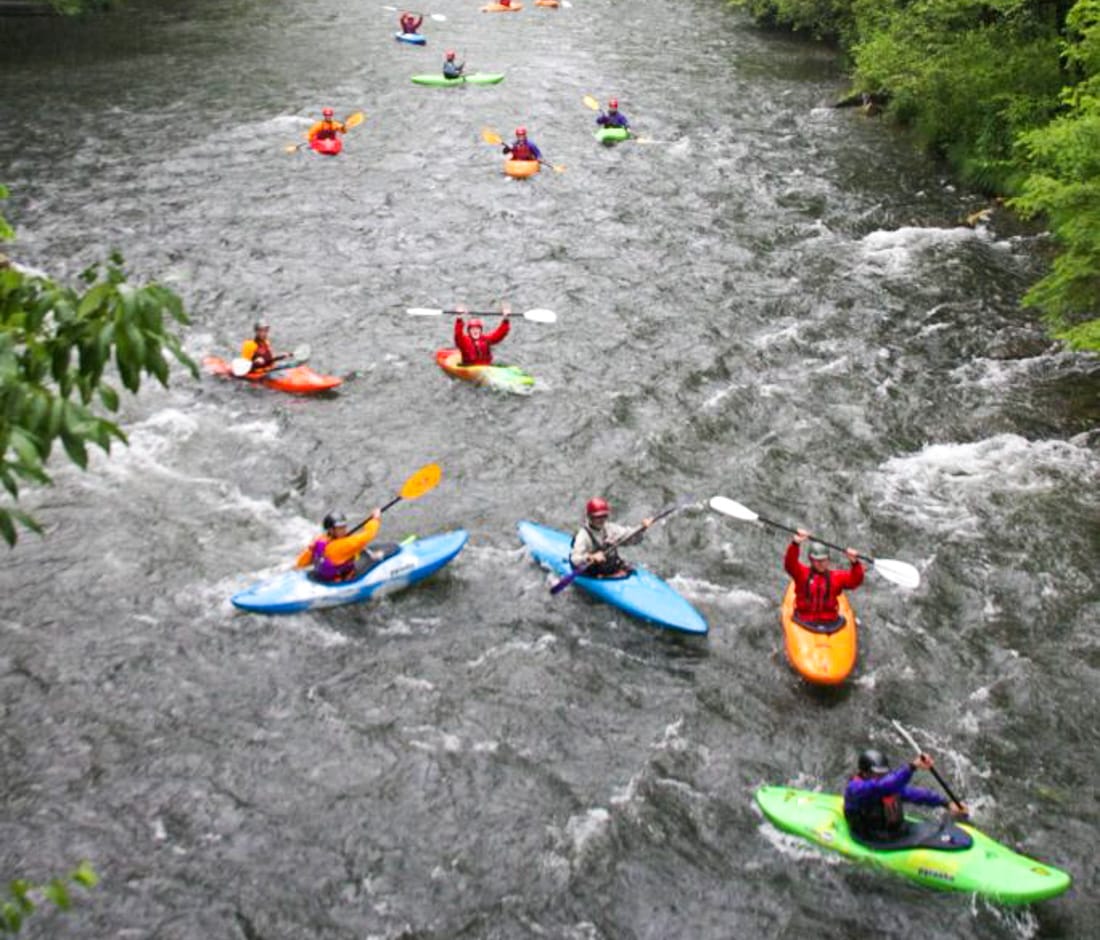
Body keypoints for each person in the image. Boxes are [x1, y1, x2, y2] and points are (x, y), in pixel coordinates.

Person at [844, 749, 969, 845]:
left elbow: (917, 795)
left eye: (884, 774)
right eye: (877, 774)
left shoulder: (886, 785)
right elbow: (883, 786)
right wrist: (912, 766)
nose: (882, 777)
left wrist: (946, 803)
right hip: (871, 837)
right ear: (864, 773)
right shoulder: (856, 789)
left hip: (894, 832)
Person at [784, 528, 863, 627]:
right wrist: (795, 543)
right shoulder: (801, 573)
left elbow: (855, 581)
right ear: (811, 560)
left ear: (828, 560)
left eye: (823, 560)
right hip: (803, 620)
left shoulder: (837, 577)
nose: (820, 564)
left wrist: (855, 562)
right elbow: (789, 564)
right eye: (817, 560)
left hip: (831, 622)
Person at [569, 498, 653, 578]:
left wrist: (642, 528)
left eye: (604, 516)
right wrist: (591, 557)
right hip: (592, 571)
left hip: (609, 568)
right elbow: (575, 559)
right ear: (590, 516)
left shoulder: (610, 529)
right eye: (598, 516)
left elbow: (630, 537)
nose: (601, 520)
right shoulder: (583, 535)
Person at [295, 508, 383, 583]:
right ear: (331, 530)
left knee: (356, 550)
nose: (344, 530)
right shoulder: (344, 545)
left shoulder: (320, 540)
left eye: (344, 526)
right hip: (342, 579)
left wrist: (308, 553)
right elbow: (368, 535)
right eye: (340, 528)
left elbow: (301, 563)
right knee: (357, 551)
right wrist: (375, 519)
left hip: (324, 576)